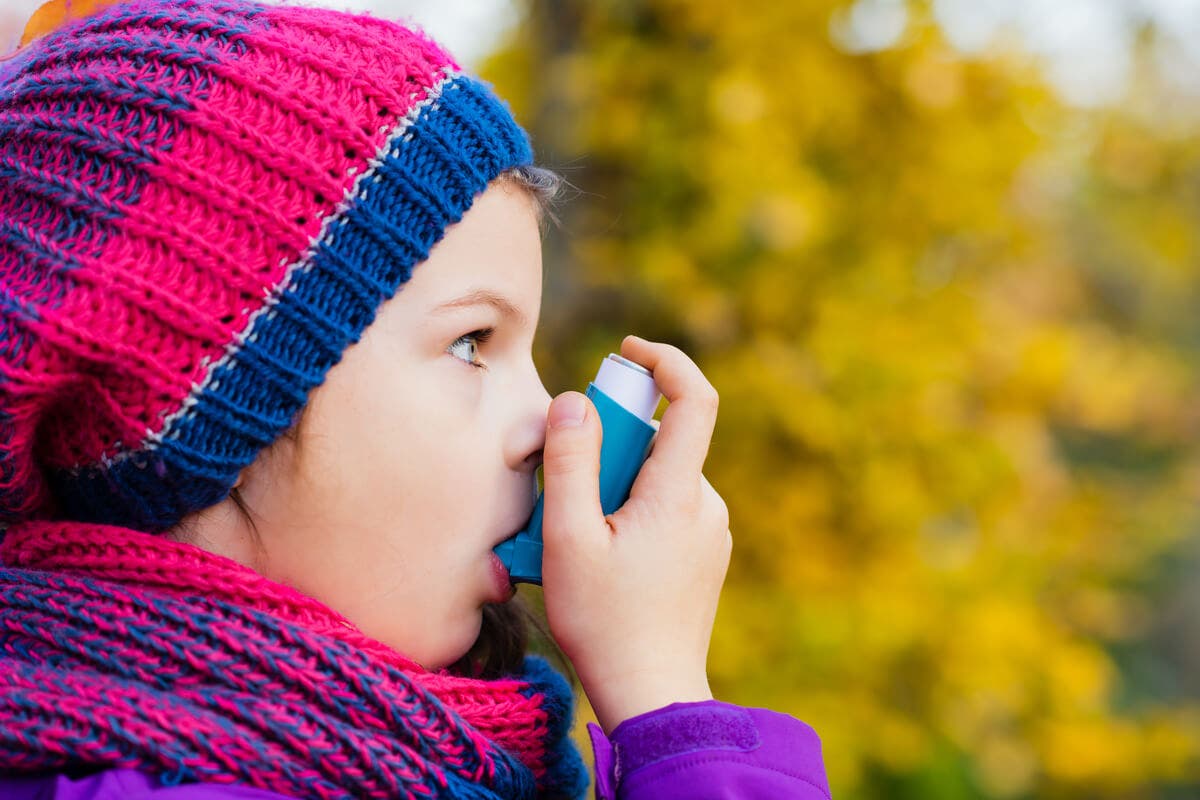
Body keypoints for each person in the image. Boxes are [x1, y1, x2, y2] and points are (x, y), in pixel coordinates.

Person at [0, 1, 831, 797]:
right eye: (473, 343)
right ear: (204, 424)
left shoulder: (410, 751)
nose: (547, 422)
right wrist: (663, 696)